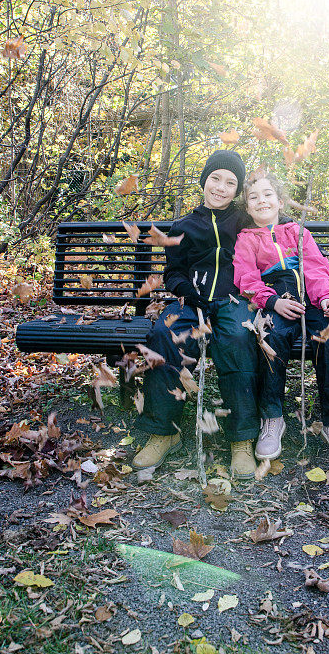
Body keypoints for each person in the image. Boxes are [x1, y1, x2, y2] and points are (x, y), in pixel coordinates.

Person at [133, 150, 260, 478]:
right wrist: (189, 294)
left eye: (231, 182)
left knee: (239, 337)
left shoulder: (244, 220)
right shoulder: (184, 225)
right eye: (215, 178)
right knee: (164, 334)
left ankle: (241, 439)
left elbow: (272, 246)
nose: (221, 187)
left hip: (234, 302)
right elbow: (173, 272)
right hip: (192, 302)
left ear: (238, 190)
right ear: (204, 181)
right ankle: (163, 432)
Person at [233, 170, 329, 462]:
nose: (261, 201)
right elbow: (246, 279)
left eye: (267, 194)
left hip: (311, 298)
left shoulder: (298, 232)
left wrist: (326, 297)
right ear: (248, 207)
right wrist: (272, 301)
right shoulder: (246, 239)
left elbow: (315, 267)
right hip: (275, 299)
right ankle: (272, 418)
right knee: (270, 338)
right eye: (253, 197)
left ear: (279, 201)